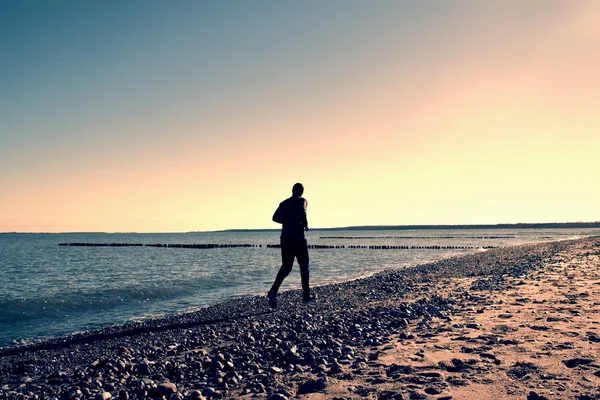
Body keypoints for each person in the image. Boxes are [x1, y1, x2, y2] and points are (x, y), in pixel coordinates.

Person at [267, 183, 316, 308]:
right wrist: (305, 224)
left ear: (292, 191)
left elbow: (275, 217)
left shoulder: (284, 203)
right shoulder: (303, 201)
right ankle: (306, 296)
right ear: (302, 192)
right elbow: (303, 212)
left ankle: (273, 291)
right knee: (304, 266)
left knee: (286, 267)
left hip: (285, 239)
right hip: (298, 239)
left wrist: (286, 220)